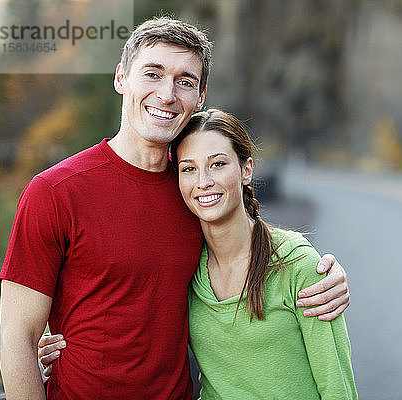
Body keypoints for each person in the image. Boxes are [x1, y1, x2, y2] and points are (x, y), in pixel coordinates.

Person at [0, 17, 350, 400]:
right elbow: (18, 336)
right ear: (121, 79)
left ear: (200, 97)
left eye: (184, 81)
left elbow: (245, 246)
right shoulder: (54, 191)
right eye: (152, 74)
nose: (167, 94)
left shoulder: (193, 190)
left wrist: (321, 272)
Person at [40, 108, 359, 399]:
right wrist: (60, 345)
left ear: (246, 170)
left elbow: (338, 387)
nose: (203, 182)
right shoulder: (186, 269)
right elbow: (131, 315)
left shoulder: (298, 264)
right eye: (188, 169)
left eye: (217, 164)